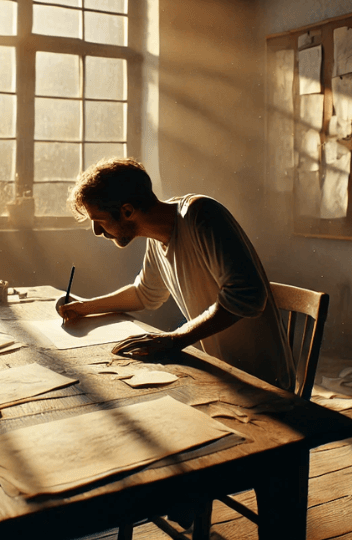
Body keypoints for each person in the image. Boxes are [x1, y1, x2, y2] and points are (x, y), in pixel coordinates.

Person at [57, 158, 293, 390]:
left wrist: (175, 339)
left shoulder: (200, 215)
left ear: (127, 211)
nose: (97, 231)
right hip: (220, 372)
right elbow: (145, 295)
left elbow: (248, 295)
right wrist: (84, 307)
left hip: (262, 381)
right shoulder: (156, 238)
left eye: (99, 221)